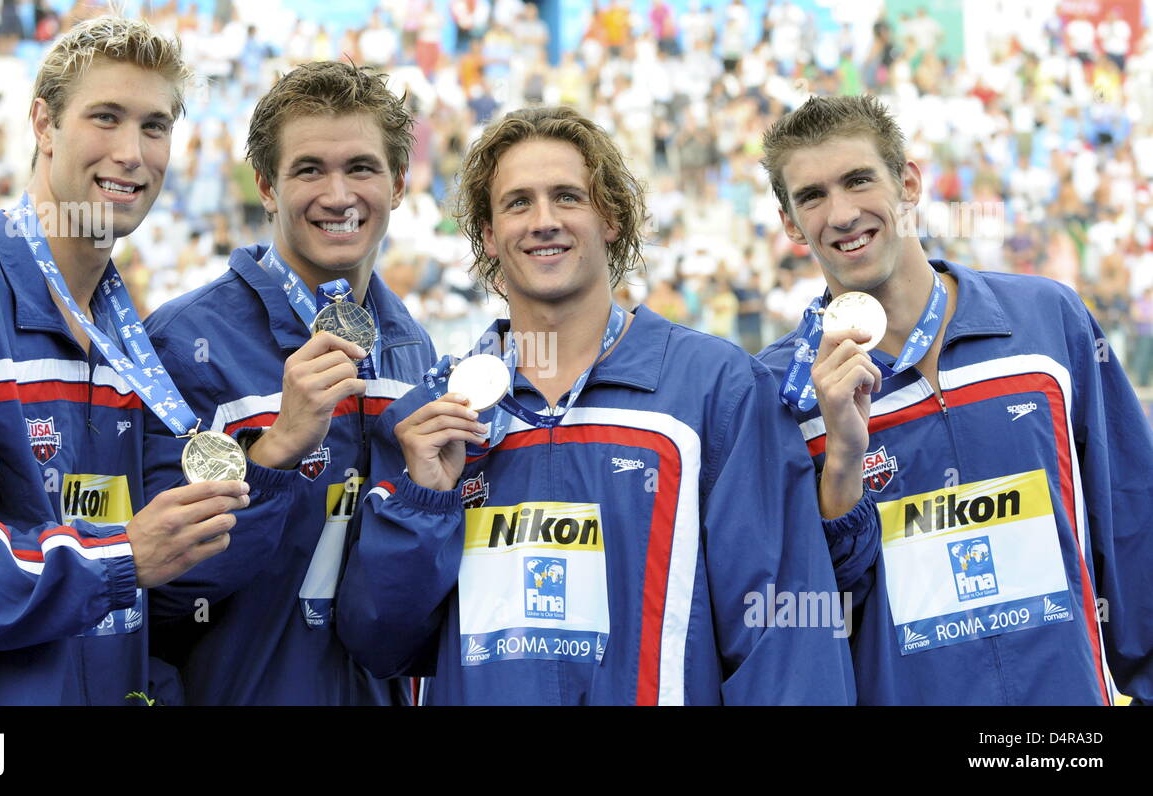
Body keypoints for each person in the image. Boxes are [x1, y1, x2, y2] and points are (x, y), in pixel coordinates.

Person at [336, 106, 854, 705]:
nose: (544, 221)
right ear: (487, 234)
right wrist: (423, 502)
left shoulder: (716, 389)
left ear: (609, 217)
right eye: (518, 203)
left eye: (567, 197)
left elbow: (783, 639)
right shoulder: (435, 415)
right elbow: (380, 645)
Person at [0, 16, 249, 705]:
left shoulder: (126, 336)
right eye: (106, 117)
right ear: (44, 124)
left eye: (154, 127)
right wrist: (120, 558)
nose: (131, 152)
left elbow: (157, 575)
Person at [757, 94, 1153, 705]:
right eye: (811, 196)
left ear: (908, 183)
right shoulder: (781, 391)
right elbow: (805, 618)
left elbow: (1131, 519)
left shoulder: (1045, 322)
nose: (841, 213)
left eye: (859, 180)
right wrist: (841, 461)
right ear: (790, 222)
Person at [141, 61, 436, 705]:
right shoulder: (182, 344)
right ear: (267, 187)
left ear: (401, 183)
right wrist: (274, 456)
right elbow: (158, 595)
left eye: (361, 168)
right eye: (309, 170)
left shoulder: (412, 345)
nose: (337, 195)